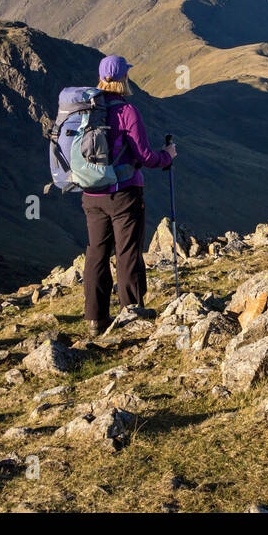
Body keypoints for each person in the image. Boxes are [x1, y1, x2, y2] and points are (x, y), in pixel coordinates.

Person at [81, 55, 176, 337]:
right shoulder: (127, 112)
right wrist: (167, 156)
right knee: (127, 253)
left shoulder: (85, 110)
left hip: (91, 193)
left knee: (96, 253)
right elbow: (145, 157)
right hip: (124, 194)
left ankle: (95, 320)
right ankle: (131, 312)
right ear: (124, 77)